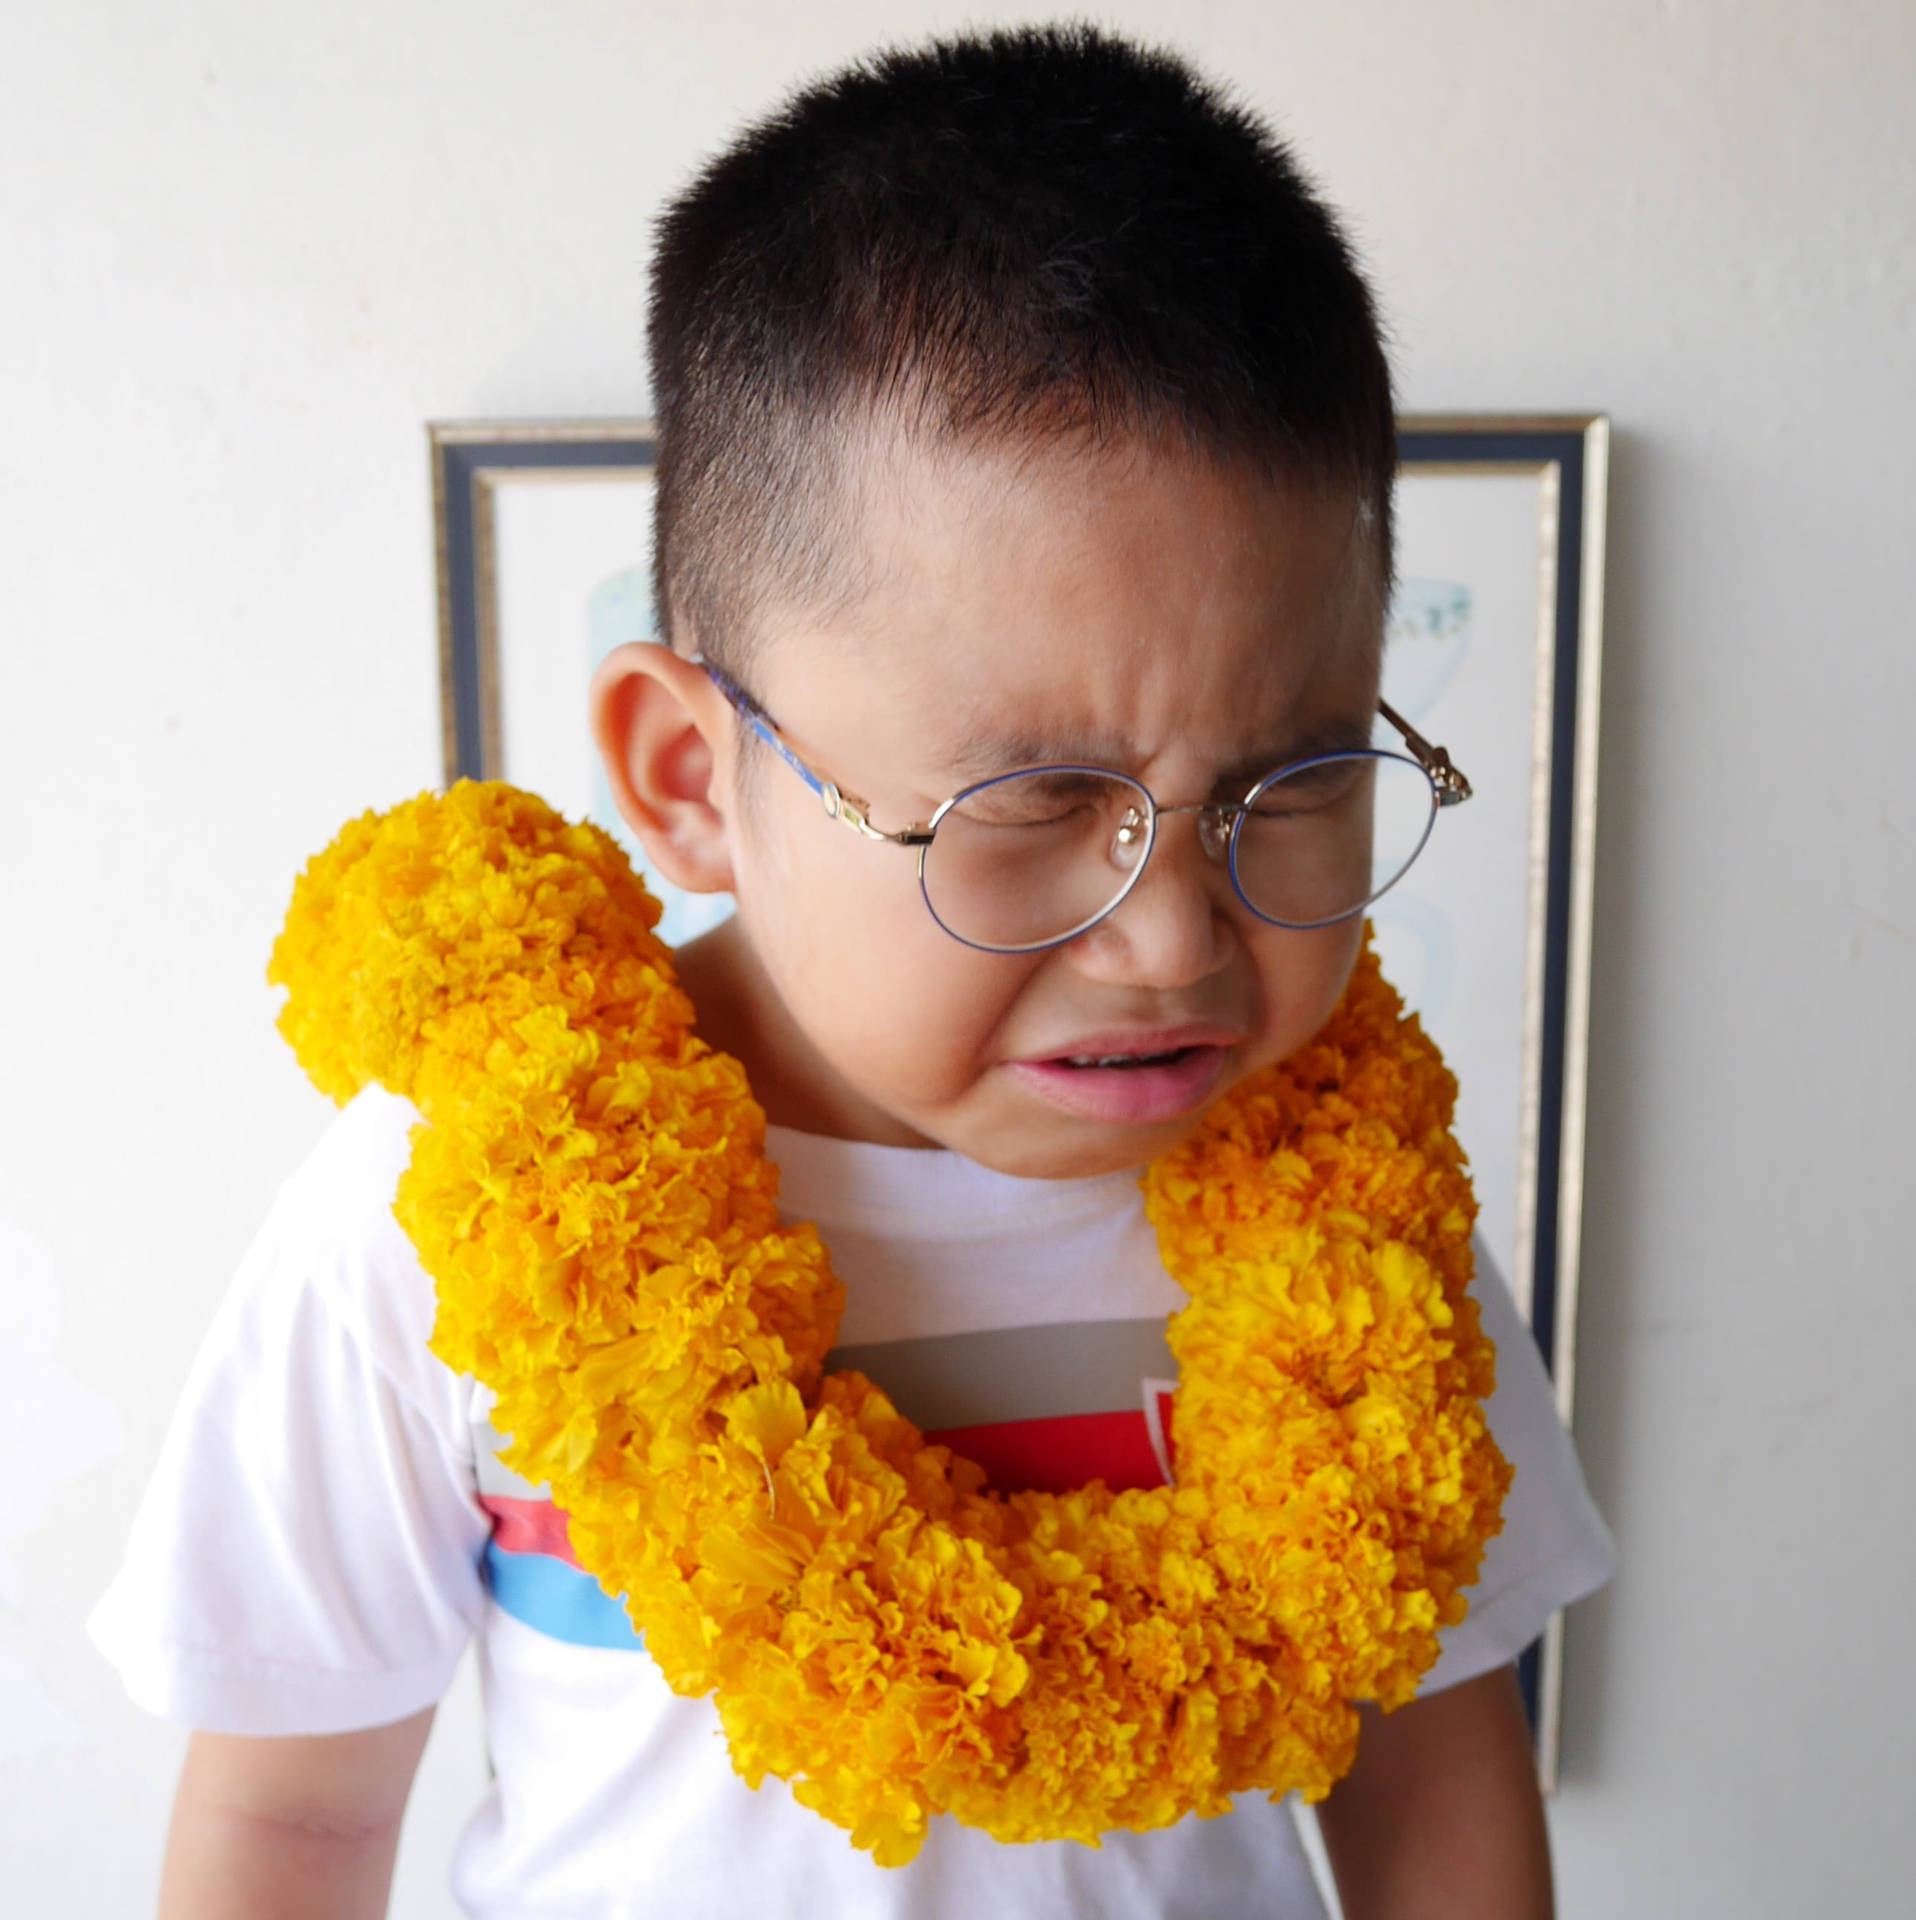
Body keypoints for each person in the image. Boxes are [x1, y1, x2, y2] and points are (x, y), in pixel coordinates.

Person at [91, 25, 1614, 1918]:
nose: (1169, 941)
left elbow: (1441, 1801)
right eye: (1033, 797)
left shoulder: (1369, 1251)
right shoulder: (442, 1224)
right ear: (689, 779)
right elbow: (292, 1827)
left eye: (1288, 783)